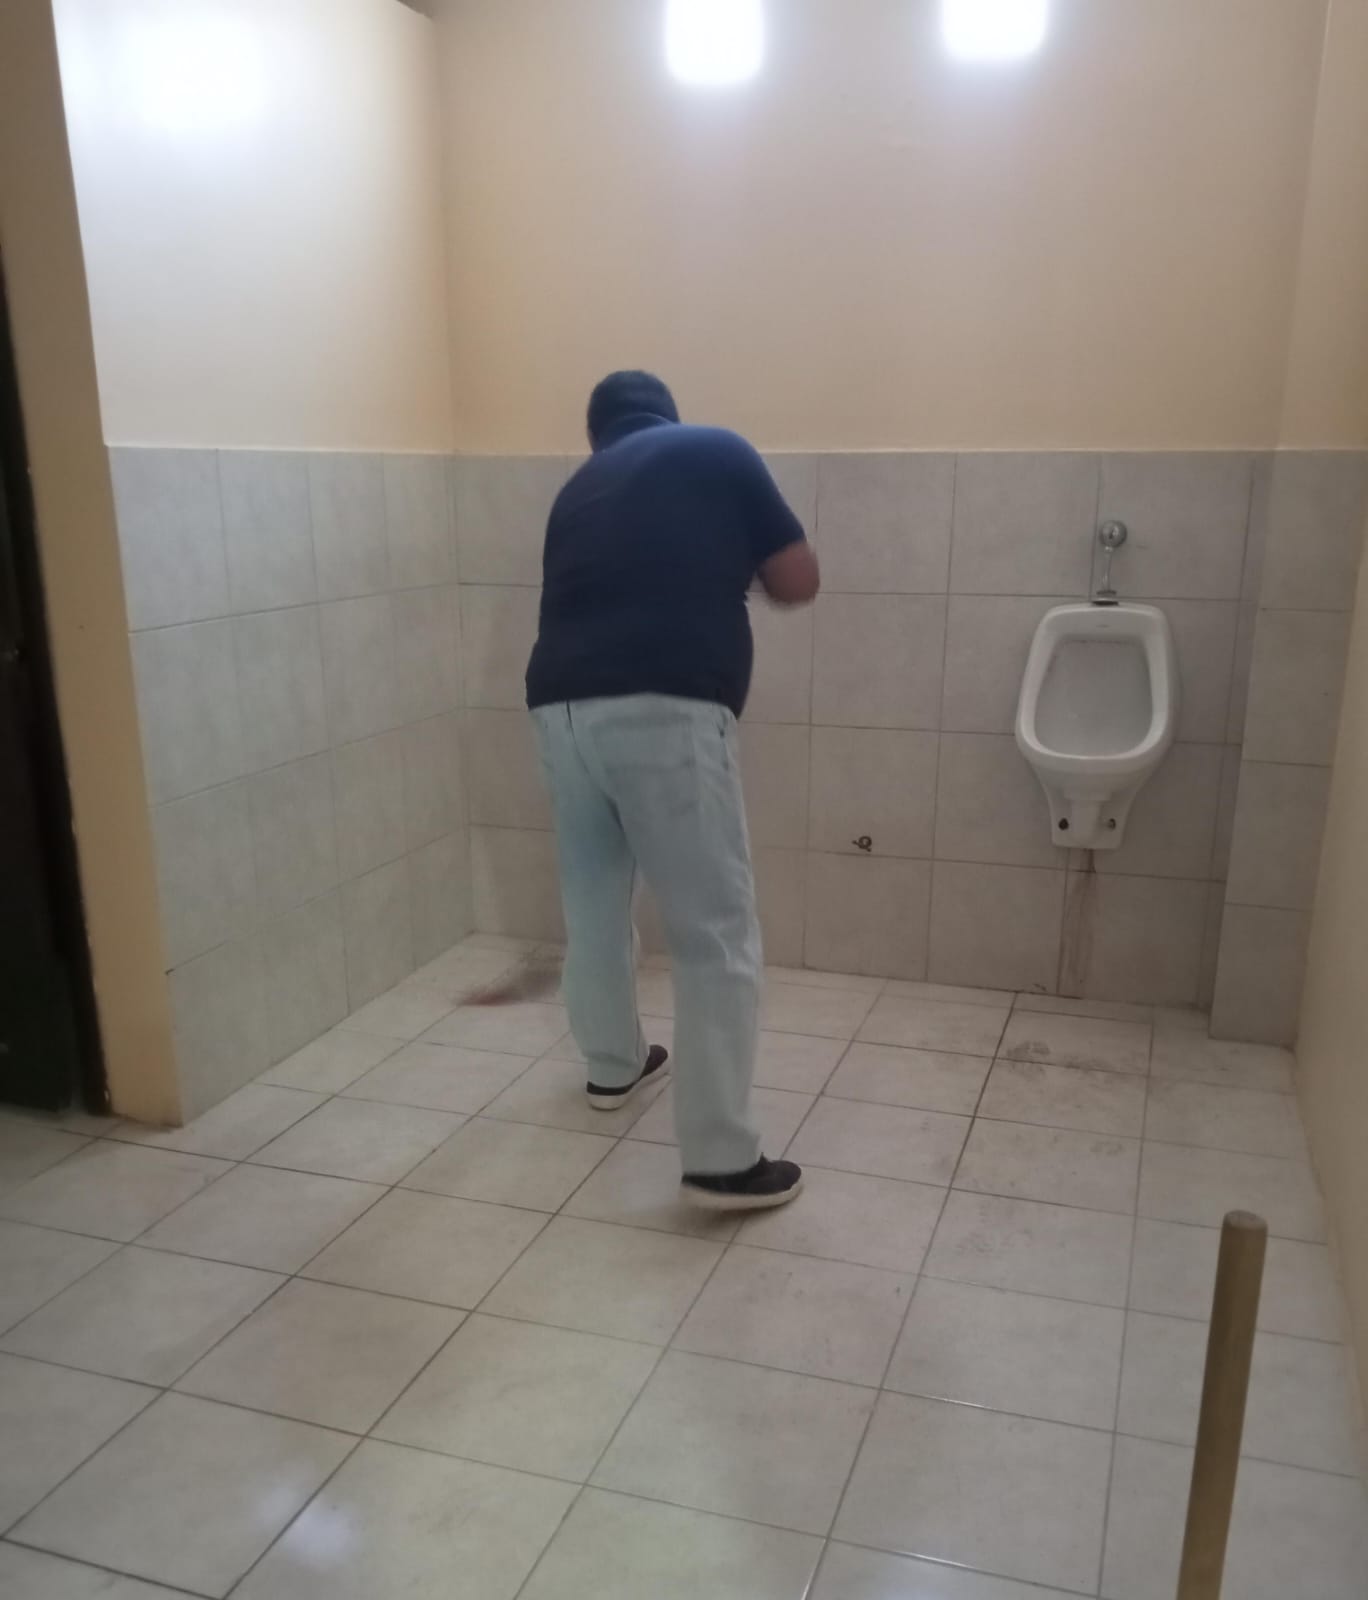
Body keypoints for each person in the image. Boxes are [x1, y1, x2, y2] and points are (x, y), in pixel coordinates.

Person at [526, 371, 820, 1210]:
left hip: (558, 708)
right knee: (714, 931)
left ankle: (612, 1067)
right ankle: (721, 1159)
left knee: (592, 898)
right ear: (666, 414)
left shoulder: (579, 489)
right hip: (665, 706)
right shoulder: (716, 449)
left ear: (599, 434)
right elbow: (797, 579)